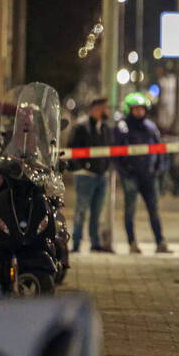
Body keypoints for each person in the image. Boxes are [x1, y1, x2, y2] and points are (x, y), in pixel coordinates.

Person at [114, 92, 172, 254]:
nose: (139, 112)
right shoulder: (122, 127)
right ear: (129, 109)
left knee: (154, 210)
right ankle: (132, 243)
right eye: (136, 109)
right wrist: (124, 172)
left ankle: (160, 242)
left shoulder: (151, 127)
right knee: (130, 210)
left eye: (141, 109)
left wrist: (157, 169)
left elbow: (160, 149)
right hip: (131, 176)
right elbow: (116, 153)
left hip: (149, 176)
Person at [68, 98, 113, 253]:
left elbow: (109, 149)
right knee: (81, 211)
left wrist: (106, 167)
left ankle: (95, 243)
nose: (107, 111)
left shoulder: (105, 127)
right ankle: (76, 244)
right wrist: (81, 167)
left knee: (96, 212)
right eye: (104, 108)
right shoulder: (82, 127)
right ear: (96, 108)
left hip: (101, 175)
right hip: (85, 175)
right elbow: (72, 149)